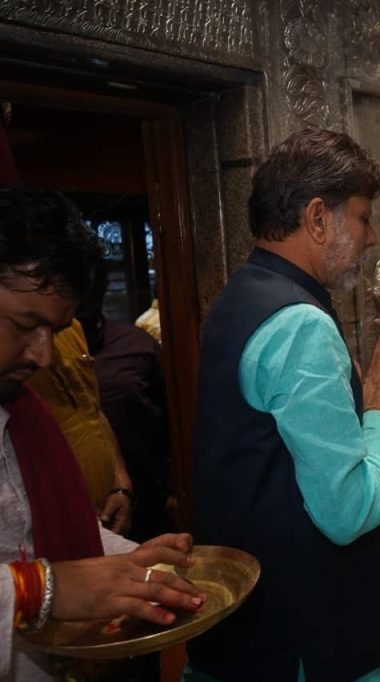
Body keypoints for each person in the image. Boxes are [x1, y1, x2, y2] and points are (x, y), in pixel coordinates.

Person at [187, 129, 380, 682]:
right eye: (363, 218)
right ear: (318, 218)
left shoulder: (238, 299)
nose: (372, 238)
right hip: (309, 640)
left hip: (252, 635)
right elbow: (347, 513)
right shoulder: (301, 324)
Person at [0, 186, 204, 680]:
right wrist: (40, 589)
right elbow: (49, 576)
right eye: (25, 325)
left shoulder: (19, 409)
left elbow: (30, 532)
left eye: (55, 331)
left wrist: (127, 560)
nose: (43, 356)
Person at [78, 262, 176, 543]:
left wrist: (173, 489)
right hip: (81, 508)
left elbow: (170, 420)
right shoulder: (39, 358)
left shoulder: (136, 344)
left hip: (147, 498)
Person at [27, 319, 135, 535]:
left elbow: (93, 411)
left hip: (103, 514)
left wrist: (121, 488)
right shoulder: (13, 344)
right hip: (51, 522)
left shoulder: (70, 326)